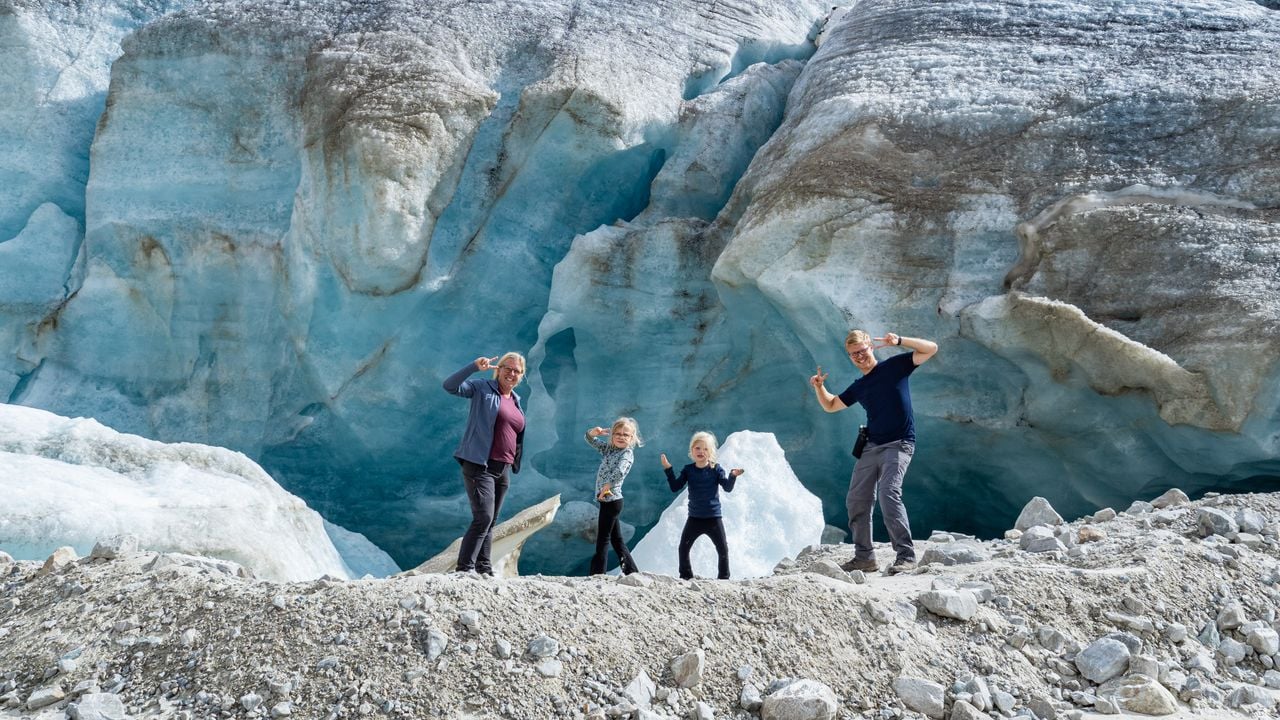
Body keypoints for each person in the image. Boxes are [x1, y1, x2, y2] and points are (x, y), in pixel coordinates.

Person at [809, 330, 938, 575]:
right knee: (857, 500)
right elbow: (831, 405)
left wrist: (899, 341)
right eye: (853, 354)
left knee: (889, 493)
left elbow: (930, 348)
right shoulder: (860, 386)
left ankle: (906, 556)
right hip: (872, 446)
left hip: (899, 444)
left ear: (871, 347)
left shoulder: (894, 367)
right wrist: (819, 387)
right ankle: (864, 558)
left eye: (862, 350)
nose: (859, 356)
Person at [442, 353, 527, 576]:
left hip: (503, 468)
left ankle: (484, 569)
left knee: (491, 521)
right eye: (507, 368)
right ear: (497, 369)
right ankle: (465, 568)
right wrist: (472, 367)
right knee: (483, 518)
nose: (511, 373)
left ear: (521, 375)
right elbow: (449, 386)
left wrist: (513, 461)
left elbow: (515, 435)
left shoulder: (516, 400)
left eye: (516, 371)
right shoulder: (483, 388)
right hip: (480, 464)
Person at [660, 432, 744, 580]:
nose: (701, 452)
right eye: (697, 448)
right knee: (683, 548)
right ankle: (686, 576)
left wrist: (732, 476)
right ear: (691, 450)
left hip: (713, 518)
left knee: (723, 549)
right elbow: (675, 486)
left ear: (711, 452)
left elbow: (727, 488)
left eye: (705, 449)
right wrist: (668, 469)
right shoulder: (688, 470)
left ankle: (724, 578)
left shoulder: (716, 469)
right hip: (694, 518)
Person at [585, 417, 642, 575]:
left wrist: (607, 487)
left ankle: (597, 574)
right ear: (611, 435)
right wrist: (593, 433)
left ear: (632, 438)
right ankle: (632, 572)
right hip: (607, 500)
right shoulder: (610, 450)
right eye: (617, 433)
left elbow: (620, 471)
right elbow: (591, 440)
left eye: (626, 435)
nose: (621, 437)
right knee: (617, 540)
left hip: (613, 500)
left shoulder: (627, 453)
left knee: (603, 538)